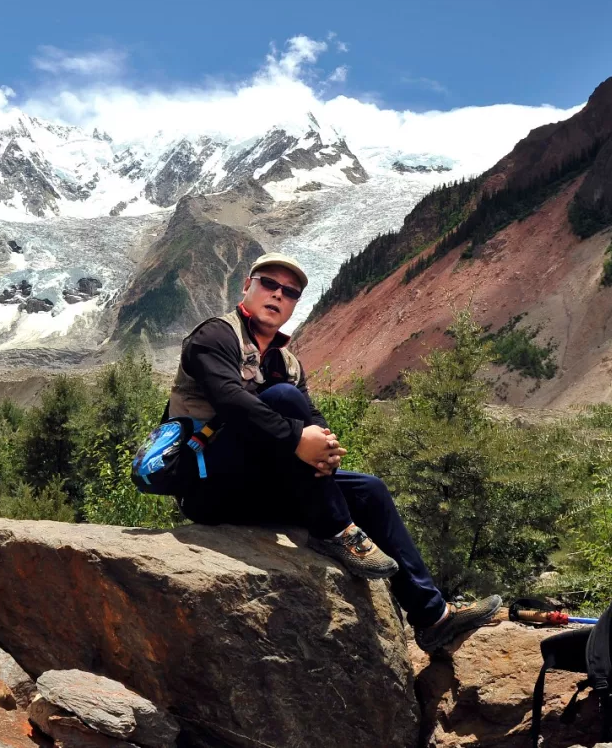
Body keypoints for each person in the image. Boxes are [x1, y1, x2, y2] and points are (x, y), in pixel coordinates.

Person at [168, 252, 501, 652]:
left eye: (290, 292)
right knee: (283, 398)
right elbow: (231, 401)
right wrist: (298, 438)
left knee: (370, 491)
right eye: (268, 283)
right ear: (247, 286)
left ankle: (433, 618)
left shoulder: (287, 362)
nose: (278, 295)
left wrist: (325, 450)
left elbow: (314, 420)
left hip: (255, 487)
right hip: (206, 483)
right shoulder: (215, 336)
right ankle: (336, 531)